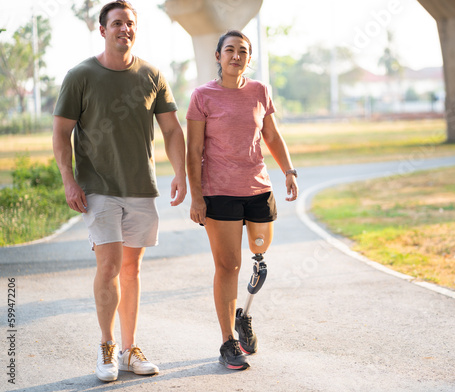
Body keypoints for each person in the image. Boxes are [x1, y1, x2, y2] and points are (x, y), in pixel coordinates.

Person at [52, 0, 186, 382]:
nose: (124, 29)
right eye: (116, 23)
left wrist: (181, 173)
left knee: (132, 269)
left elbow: (173, 130)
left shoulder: (152, 75)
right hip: (98, 187)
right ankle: (106, 347)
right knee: (108, 266)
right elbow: (61, 132)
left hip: (141, 187)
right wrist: (68, 178)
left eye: (129, 23)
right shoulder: (80, 75)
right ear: (103, 30)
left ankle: (129, 350)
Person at [186, 30, 298, 370]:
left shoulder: (260, 91)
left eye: (243, 51)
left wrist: (289, 171)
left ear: (249, 58)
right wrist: (197, 197)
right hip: (219, 192)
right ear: (218, 56)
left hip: (258, 189)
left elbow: (272, 135)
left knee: (260, 253)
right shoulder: (202, 96)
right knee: (228, 265)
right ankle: (228, 342)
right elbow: (194, 151)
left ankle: (243, 314)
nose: (236, 55)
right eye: (230, 50)